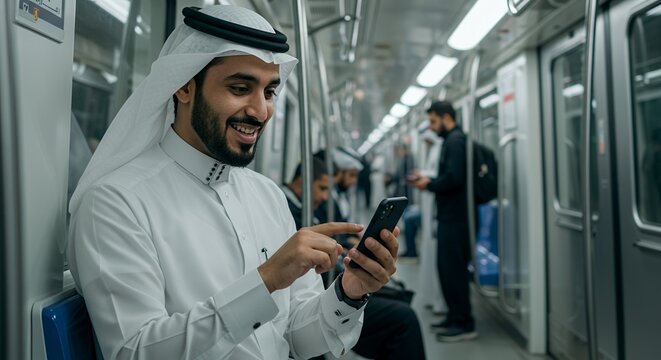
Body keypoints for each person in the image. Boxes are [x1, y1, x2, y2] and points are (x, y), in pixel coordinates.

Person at [67, 6, 400, 359]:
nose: (260, 111)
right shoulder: (117, 202)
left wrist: (349, 292)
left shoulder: (267, 196)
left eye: (269, 92)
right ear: (184, 86)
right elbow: (134, 352)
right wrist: (266, 280)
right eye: (240, 88)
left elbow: (298, 340)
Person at [285, 159, 426, 360]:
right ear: (301, 182)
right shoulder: (288, 209)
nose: (325, 196)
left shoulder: (310, 204)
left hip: (331, 284)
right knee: (404, 319)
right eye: (322, 188)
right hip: (321, 287)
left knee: (393, 293)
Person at [411, 100, 477, 342]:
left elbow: (453, 178)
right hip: (450, 216)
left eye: (433, 121)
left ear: (446, 117)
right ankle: (454, 316)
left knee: (454, 271)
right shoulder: (451, 141)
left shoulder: (455, 141)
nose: (432, 126)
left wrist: (429, 184)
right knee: (446, 269)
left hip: (457, 218)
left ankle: (464, 322)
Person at [414, 128, 446, 315]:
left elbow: (442, 177)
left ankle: (440, 300)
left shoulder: (442, 148)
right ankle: (432, 296)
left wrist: (427, 180)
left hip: (436, 209)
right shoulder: (434, 150)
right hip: (429, 208)